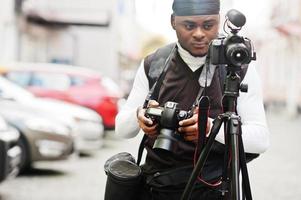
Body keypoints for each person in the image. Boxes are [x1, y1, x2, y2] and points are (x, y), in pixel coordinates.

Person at [115, 0, 270, 199]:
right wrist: (139, 116)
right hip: (158, 188)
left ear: (219, 20)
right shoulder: (154, 64)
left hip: (215, 188)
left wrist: (211, 129)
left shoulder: (238, 66)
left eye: (208, 25)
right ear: (173, 21)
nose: (199, 34)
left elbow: (261, 139)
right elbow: (121, 129)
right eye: (189, 25)